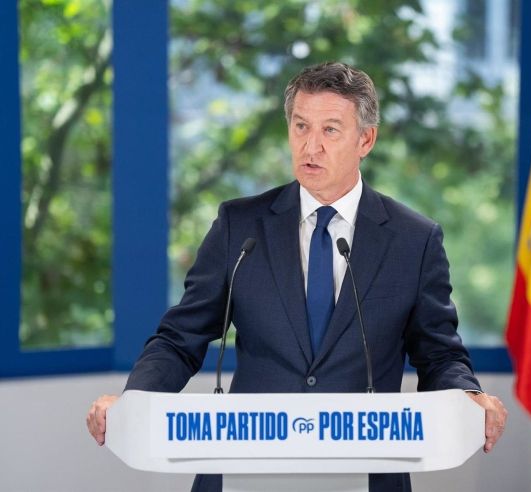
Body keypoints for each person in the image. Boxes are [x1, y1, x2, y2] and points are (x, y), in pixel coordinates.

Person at [87, 62, 507, 492]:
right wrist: (134, 401)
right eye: (301, 126)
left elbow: (438, 354)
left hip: (365, 471)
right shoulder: (240, 227)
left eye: (330, 130)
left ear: (366, 139)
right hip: (244, 469)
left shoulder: (413, 240)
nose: (311, 146)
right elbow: (179, 339)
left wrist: (468, 395)